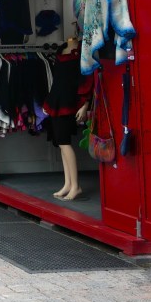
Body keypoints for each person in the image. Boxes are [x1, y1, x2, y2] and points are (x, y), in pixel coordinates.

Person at [43, 35, 92, 200]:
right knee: (61, 143)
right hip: (57, 101)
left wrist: (85, 104)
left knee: (64, 143)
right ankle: (68, 183)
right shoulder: (60, 51)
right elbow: (57, 81)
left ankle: (75, 185)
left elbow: (87, 79)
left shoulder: (82, 52)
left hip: (69, 102)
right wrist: (48, 101)